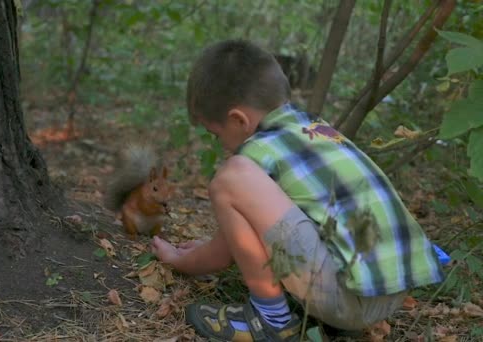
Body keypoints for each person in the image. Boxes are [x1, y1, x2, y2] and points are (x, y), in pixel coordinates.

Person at [150, 39, 445, 341]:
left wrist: (179, 260)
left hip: (347, 299)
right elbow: (253, 235)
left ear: (239, 120)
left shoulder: (258, 151)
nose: (219, 143)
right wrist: (207, 245)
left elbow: (222, 255)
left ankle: (271, 320)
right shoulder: (315, 131)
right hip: (393, 290)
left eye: (216, 134)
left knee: (229, 178)